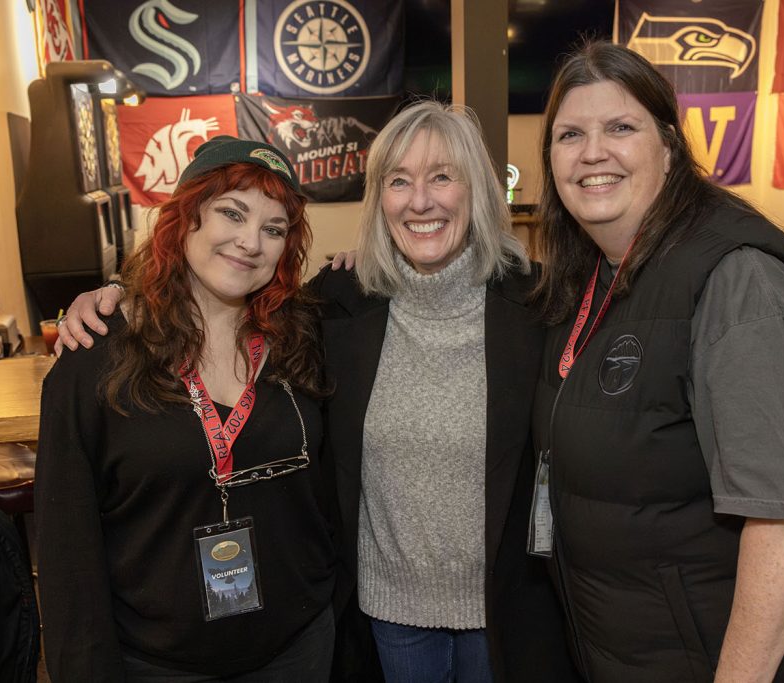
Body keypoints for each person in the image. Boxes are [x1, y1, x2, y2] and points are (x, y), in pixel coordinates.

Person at [54, 103, 578, 683]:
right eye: (398, 181)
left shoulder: (537, 305)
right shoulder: (339, 303)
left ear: (477, 188)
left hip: (480, 614)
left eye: (442, 176)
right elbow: (68, 544)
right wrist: (110, 294)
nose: (249, 241)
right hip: (371, 615)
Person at [530, 41, 784, 681]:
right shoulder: (594, 275)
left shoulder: (742, 282)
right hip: (636, 644)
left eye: (620, 127)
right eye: (570, 134)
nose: (593, 152)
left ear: (671, 147)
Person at [35, 137, 337, 681]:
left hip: (298, 648)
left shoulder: (305, 334)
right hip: (156, 663)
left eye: (274, 229)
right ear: (185, 215)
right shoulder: (95, 357)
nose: (250, 242)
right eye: (232, 212)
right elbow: (67, 553)